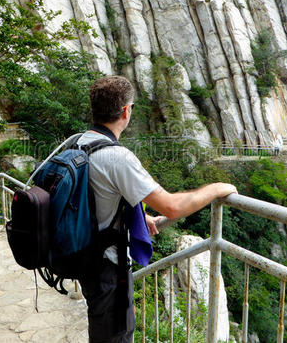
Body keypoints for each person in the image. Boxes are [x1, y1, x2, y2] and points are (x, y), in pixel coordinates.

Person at [77, 75, 238, 343]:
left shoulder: (80, 142)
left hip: (85, 256)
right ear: (126, 111)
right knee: (114, 335)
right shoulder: (117, 157)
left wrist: (141, 216)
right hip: (107, 265)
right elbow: (173, 207)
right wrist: (216, 189)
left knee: (101, 328)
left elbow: (93, 196)